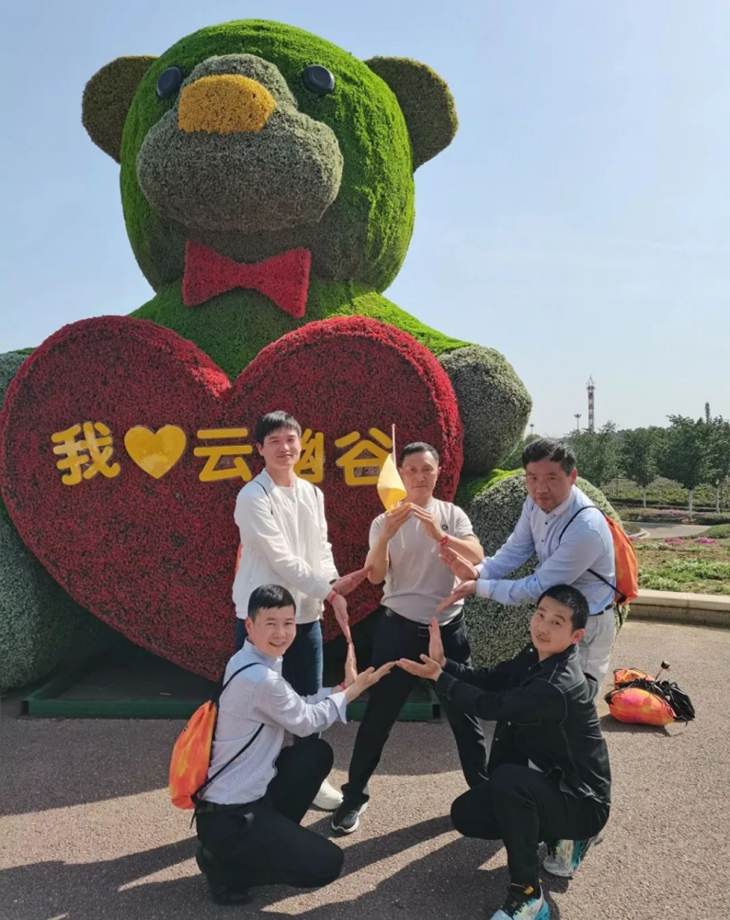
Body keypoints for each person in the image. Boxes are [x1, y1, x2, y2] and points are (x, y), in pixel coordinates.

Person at [398, 584, 610, 920]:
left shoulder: (556, 684)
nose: (543, 626)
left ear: (576, 636)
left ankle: (528, 895)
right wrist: (446, 665)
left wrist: (440, 679)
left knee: (510, 782)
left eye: (556, 622)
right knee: (468, 814)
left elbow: (490, 705)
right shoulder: (536, 656)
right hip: (553, 781)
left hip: (584, 801)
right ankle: (562, 835)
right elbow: (491, 678)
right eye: (540, 614)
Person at [195, 584, 393, 905]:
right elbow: (306, 721)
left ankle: (260, 844)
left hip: (229, 808)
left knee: (314, 754)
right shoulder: (261, 679)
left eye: (288, 623)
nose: (281, 633)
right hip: (231, 817)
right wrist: (352, 692)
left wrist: (343, 687)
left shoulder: (246, 660)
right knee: (327, 864)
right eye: (271, 623)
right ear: (250, 625)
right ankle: (226, 868)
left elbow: (297, 704)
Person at [331, 442, 489, 835]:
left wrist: (440, 535)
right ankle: (354, 797)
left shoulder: (451, 514)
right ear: (401, 474)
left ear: (438, 473)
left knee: (465, 719)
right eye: (412, 470)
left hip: (447, 632)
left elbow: (477, 555)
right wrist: (386, 534)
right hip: (398, 631)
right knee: (378, 718)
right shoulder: (384, 520)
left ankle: (487, 797)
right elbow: (375, 576)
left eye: (427, 469)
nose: (420, 476)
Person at [233, 410, 367, 810]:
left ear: (301, 444)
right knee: (256, 699)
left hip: (305, 613)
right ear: (259, 448)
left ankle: (311, 777)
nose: (284, 447)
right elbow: (281, 559)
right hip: (263, 617)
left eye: (290, 439)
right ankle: (253, 778)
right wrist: (330, 593)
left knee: (308, 697)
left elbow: (321, 548)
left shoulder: (312, 493)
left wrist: (333, 584)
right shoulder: (252, 496)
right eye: (274, 441)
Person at [438, 438, 617, 697]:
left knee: (575, 701)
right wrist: (478, 572)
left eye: (551, 478)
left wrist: (478, 587)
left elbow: (537, 587)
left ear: (572, 476)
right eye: (532, 478)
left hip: (586, 625)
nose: (540, 488)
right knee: (542, 697)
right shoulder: (534, 503)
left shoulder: (586, 529)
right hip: (553, 617)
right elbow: (516, 549)